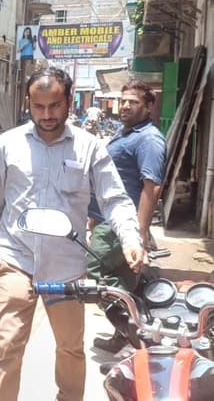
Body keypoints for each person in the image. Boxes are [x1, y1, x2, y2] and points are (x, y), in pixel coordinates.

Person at [0, 66, 144, 401]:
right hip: (17, 259)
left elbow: (114, 199)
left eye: (54, 106)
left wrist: (130, 239)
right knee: (7, 346)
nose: (47, 114)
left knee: (70, 348)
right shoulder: (8, 144)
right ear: (28, 103)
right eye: (38, 107)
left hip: (67, 269)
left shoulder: (90, 147)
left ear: (69, 101)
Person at [87, 80, 166, 353]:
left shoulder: (149, 139)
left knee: (91, 275)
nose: (125, 106)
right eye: (123, 101)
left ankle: (132, 332)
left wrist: (138, 234)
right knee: (122, 281)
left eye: (133, 102)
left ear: (149, 106)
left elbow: (152, 186)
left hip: (120, 225)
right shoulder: (128, 133)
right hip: (107, 219)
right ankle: (124, 335)